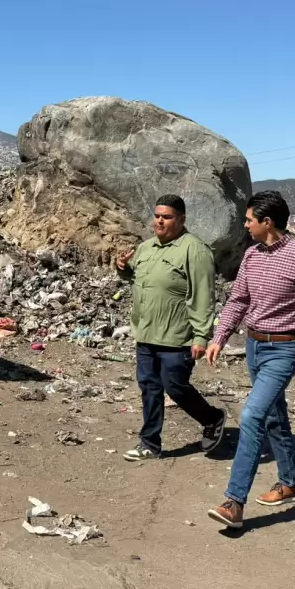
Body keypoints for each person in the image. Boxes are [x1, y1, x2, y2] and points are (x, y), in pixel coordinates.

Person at [205, 190, 295, 530]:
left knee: (252, 415)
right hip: (254, 346)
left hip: (286, 349)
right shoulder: (252, 256)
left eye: (249, 220)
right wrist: (219, 337)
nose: (245, 225)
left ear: (267, 221)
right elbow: (238, 300)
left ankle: (234, 502)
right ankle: (290, 482)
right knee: (274, 416)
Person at [116, 194, 227, 461]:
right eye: (157, 216)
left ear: (181, 219)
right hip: (146, 333)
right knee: (149, 387)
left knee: (175, 387)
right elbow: (135, 278)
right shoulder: (146, 248)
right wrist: (122, 268)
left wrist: (201, 336)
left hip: (177, 336)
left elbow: (203, 296)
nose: (159, 221)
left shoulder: (195, 250)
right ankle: (149, 443)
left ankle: (212, 418)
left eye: (166, 217)